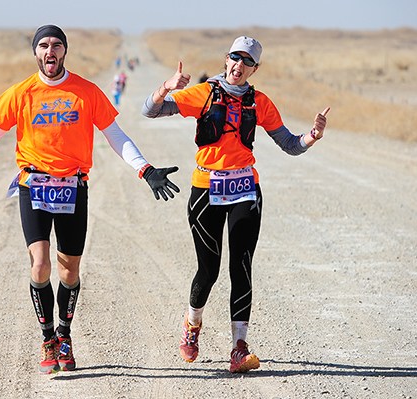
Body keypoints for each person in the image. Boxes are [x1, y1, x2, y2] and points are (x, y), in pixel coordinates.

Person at [0, 24, 180, 374]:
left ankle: (65, 334)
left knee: (69, 270)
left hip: (73, 188)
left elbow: (115, 135)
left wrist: (145, 169)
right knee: (40, 265)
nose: (51, 51)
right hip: (33, 186)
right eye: (44, 45)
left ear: (65, 51)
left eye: (57, 45)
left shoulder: (86, 92)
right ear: (36, 53)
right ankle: (48, 337)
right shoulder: (21, 93)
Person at [141, 35, 329, 373]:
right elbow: (150, 110)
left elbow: (288, 143)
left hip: (245, 188)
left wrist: (311, 137)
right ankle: (192, 325)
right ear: (226, 59)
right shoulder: (204, 93)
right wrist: (166, 87)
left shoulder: (260, 102)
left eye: (246, 61)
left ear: (255, 68)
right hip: (206, 186)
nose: (238, 66)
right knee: (208, 270)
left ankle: (239, 348)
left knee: (241, 267)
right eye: (234, 58)